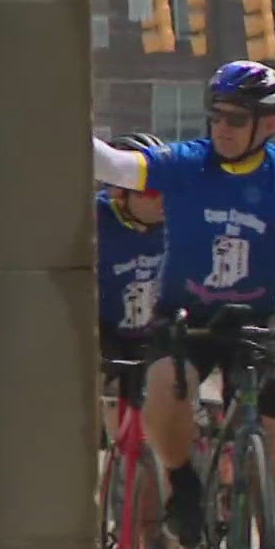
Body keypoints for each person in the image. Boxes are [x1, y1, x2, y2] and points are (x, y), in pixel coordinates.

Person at [91, 61, 275, 549]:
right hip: (186, 320)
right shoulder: (186, 164)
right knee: (164, 385)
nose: (222, 127)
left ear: (267, 124)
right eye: (216, 116)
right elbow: (113, 164)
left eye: (236, 119)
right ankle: (184, 482)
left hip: (252, 324)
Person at [96, 131, 168, 440]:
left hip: (158, 330)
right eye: (150, 192)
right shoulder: (94, 218)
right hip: (107, 331)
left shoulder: (178, 218)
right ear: (119, 194)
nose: (163, 201)